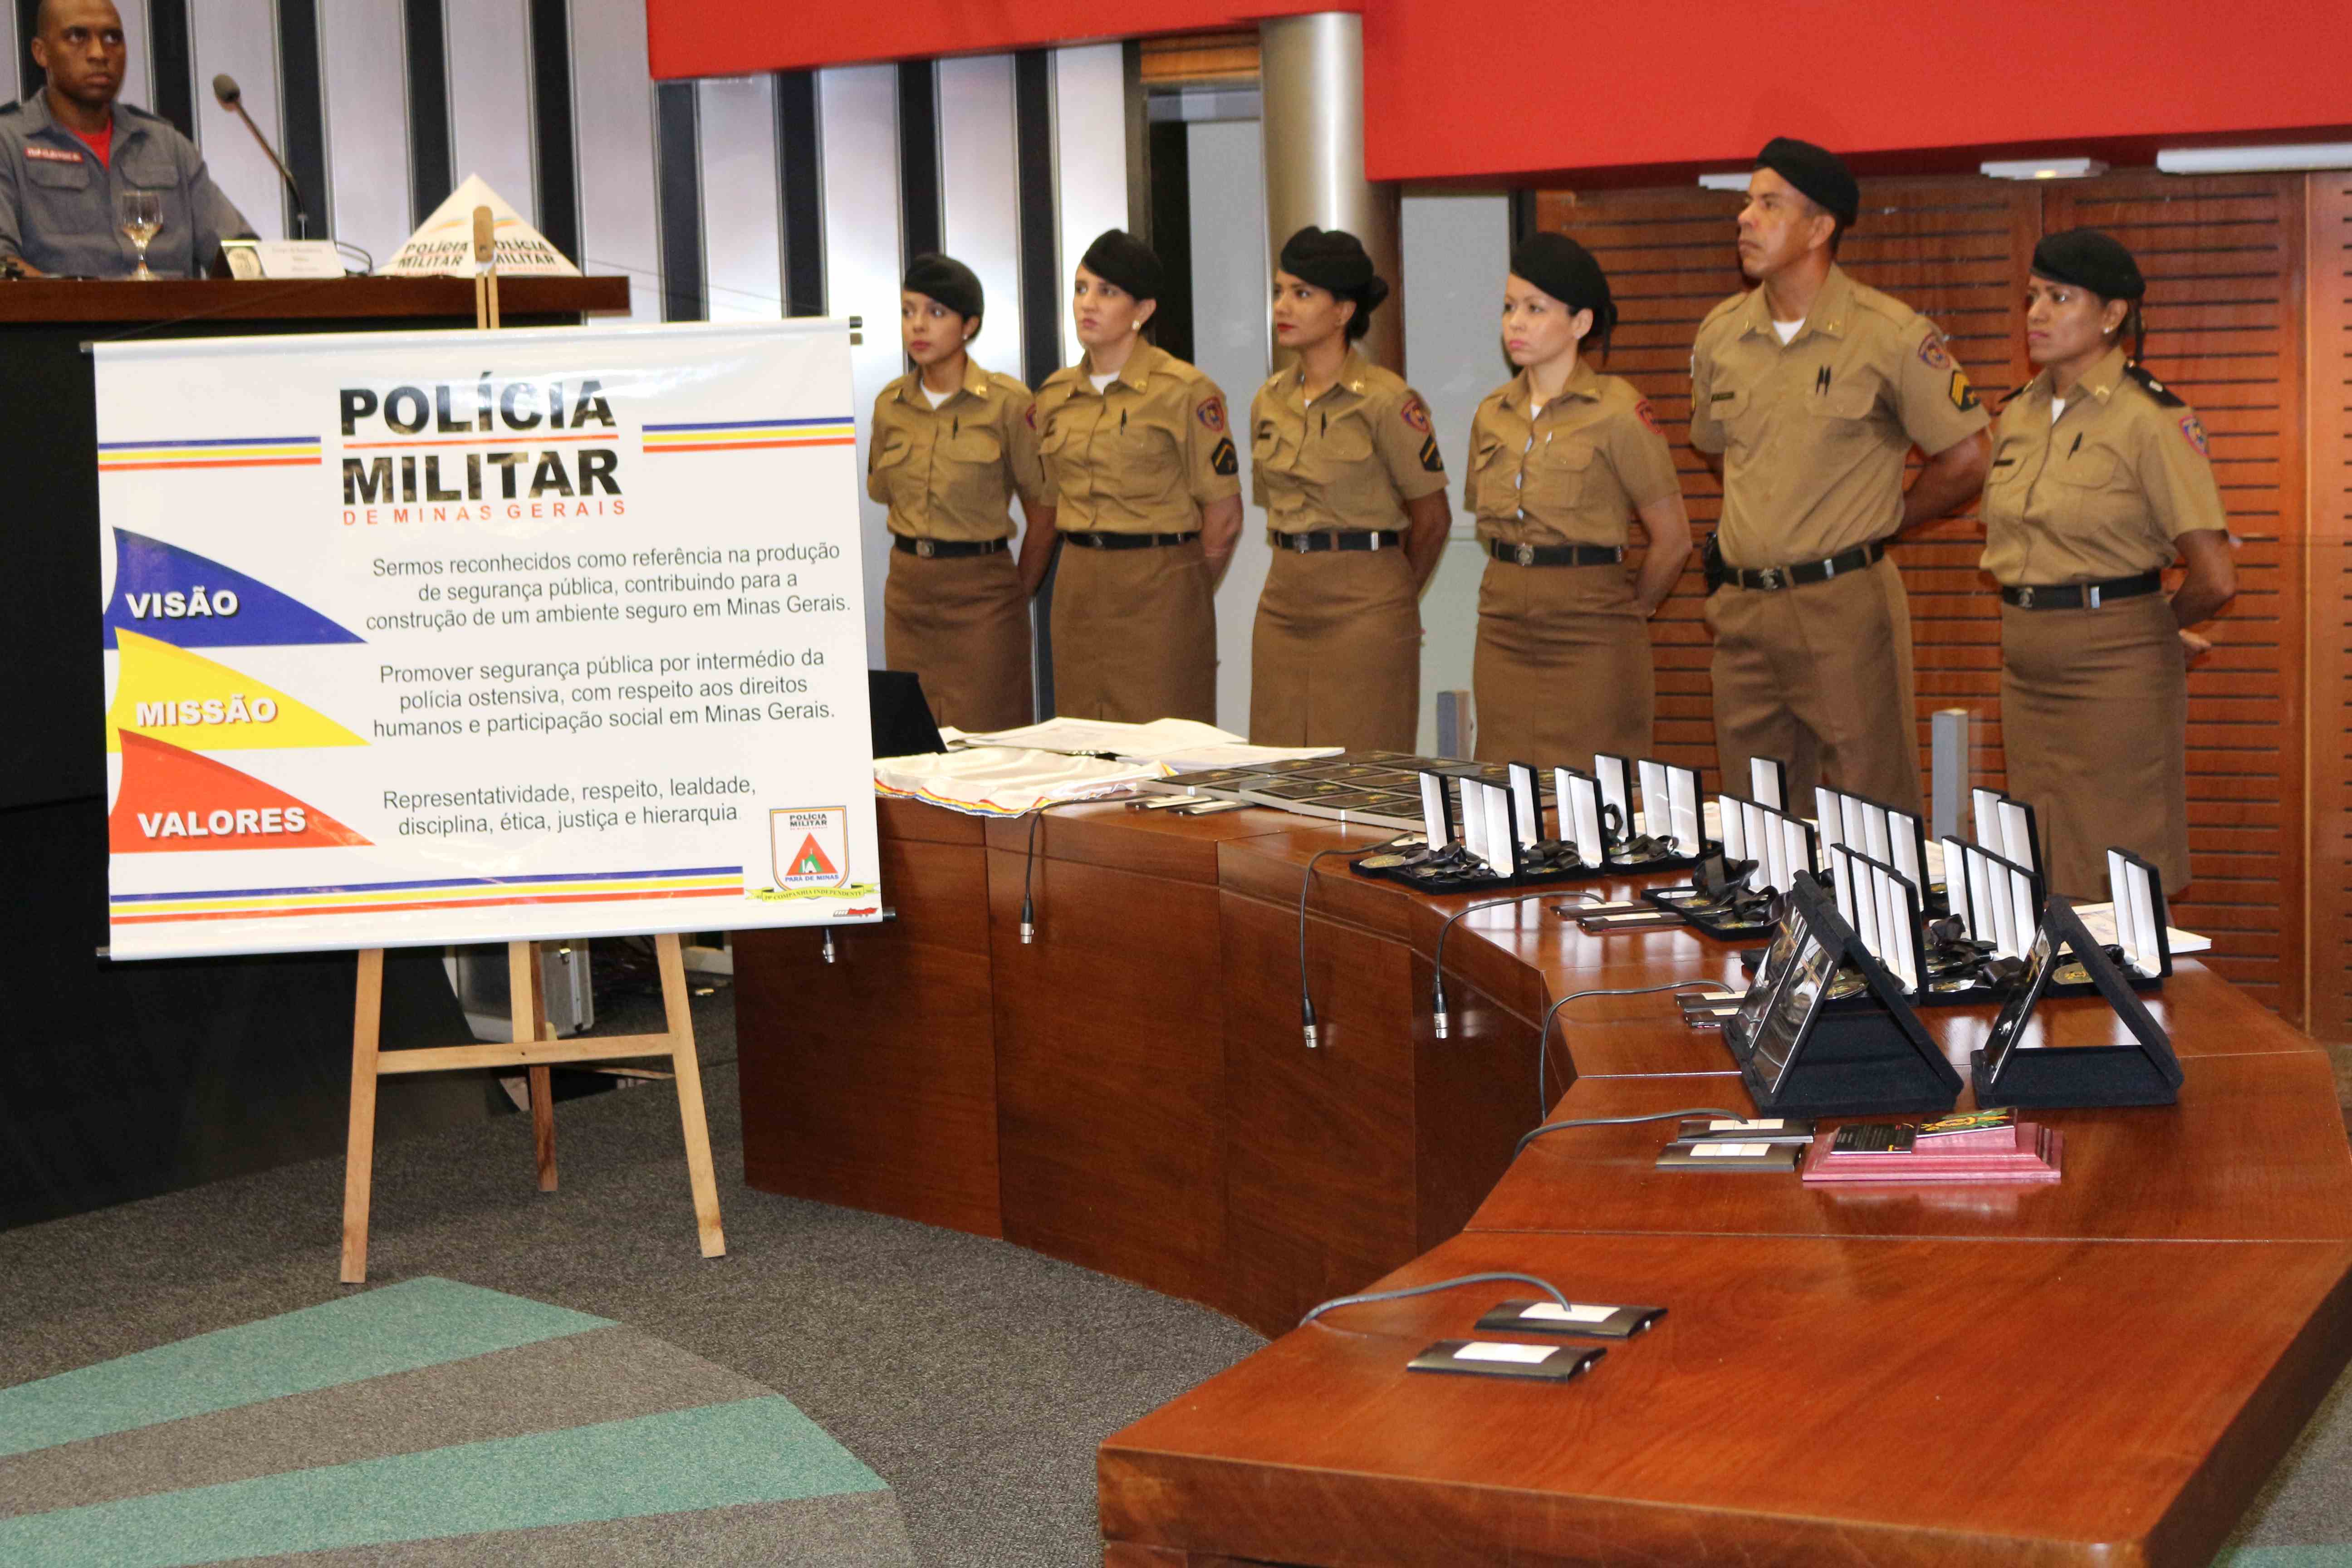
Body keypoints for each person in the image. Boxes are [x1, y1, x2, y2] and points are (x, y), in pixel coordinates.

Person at [1688, 137, 1989, 812]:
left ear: (1820, 228)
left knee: (1870, 810)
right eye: (1748, 202)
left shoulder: (1888, 333)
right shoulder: (1721, 334)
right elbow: (1717, 447)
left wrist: (1885, 520)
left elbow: (1969, 458)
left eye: (1770, 205)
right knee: (1756, 815)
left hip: (1843, 604)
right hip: (1743, 608)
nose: (1745, 218)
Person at [1981, 229, 2233, 898]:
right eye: (2032, 296)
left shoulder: (2149, 418)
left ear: (2112, 315)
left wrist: (2149, 631)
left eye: (2059, 298)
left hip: (2114, 666)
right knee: (2041, 860)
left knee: (2122, 865)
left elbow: (2215, 576)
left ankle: (2136, 975)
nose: (2036, 314)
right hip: (2026, 664)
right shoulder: (2017, 416)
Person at [1465, 233, 1691, 764]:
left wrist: (1634, 607)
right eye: (1509, 308)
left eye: (1535, 308)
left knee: (1592, 784)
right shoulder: (1492, 413)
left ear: (1581, 323)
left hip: (1591, 630)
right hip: (1503, 624)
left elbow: (1674, 539)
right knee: (1503, 779)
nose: (1515, 323)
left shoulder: (1619, 411)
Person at [1247, 226, 1450, 751]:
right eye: (1279, 292)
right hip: (1284, 603)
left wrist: (1393, 599)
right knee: (1277, 762)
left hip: (1366, 607)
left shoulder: (1386, 400)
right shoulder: (1269, 401)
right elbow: (1275, 507)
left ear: (1342, 311)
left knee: (1362, 766)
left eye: (1302, 294)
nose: (1282, 306)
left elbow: (1433, 518)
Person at [1031, 229, 1243, 724]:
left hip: (1158, 585)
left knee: (1163, 737)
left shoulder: (1184, 390)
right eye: (1081, 288)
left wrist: (1183, 589)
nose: (1088, 303)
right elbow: (1050, 499)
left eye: (1107, 292)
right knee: (1083, 737)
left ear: (1142, 311)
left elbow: (1225, 518)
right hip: (1078, 586)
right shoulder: (1055, 395)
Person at [867, 253, 1055, 735]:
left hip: (983, 598)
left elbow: (1045, 511)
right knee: (912, 739)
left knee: (989, 738)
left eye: (936, 312)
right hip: (908, 596)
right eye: (908, 311)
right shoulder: (890, 405)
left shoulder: (1008, 403)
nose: (918, 325)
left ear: (969, 325)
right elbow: (882, 490)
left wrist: (1016, 594)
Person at [0, 0, 255, 279]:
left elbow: (239, 253)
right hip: (63, 307)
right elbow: (4, 265)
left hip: (171, 305)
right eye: (77, 37)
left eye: (112, 38)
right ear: (42, 52)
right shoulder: (8, 143)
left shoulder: (167, 146)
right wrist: (80, 300)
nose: (99, 53)